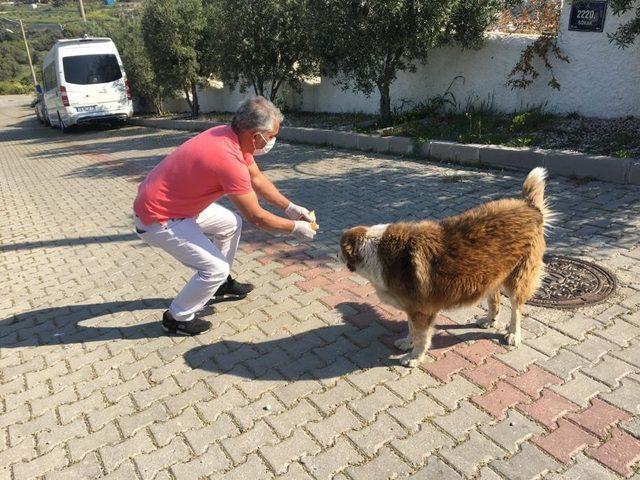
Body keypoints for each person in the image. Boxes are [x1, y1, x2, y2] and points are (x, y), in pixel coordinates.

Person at [133, 96, 316, 335]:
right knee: (214, 268)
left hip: (179, 207)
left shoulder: (232, 137)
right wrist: (294, 228)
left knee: (230, 223)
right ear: (255, 135)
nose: (272, 142)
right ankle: (178, 316)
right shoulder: (228, 159)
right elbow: (256, 217)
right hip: (158, 218)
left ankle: (219, 284)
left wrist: (290, 207)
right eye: (271, 137)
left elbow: (257, 180)